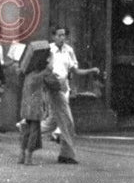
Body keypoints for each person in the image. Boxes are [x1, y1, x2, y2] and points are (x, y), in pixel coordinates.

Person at [39, 25, 99, 165]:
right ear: (53, 36)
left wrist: (91, 70)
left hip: (64, 88)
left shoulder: (69, 50)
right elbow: (42, 70)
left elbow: (75, 70)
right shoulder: (48, 49)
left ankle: (27, 130)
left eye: (64, 35)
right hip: (53, 87)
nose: (62, 38)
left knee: (52, 122)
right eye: (59, 35)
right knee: (67, 122)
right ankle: (67, 154)